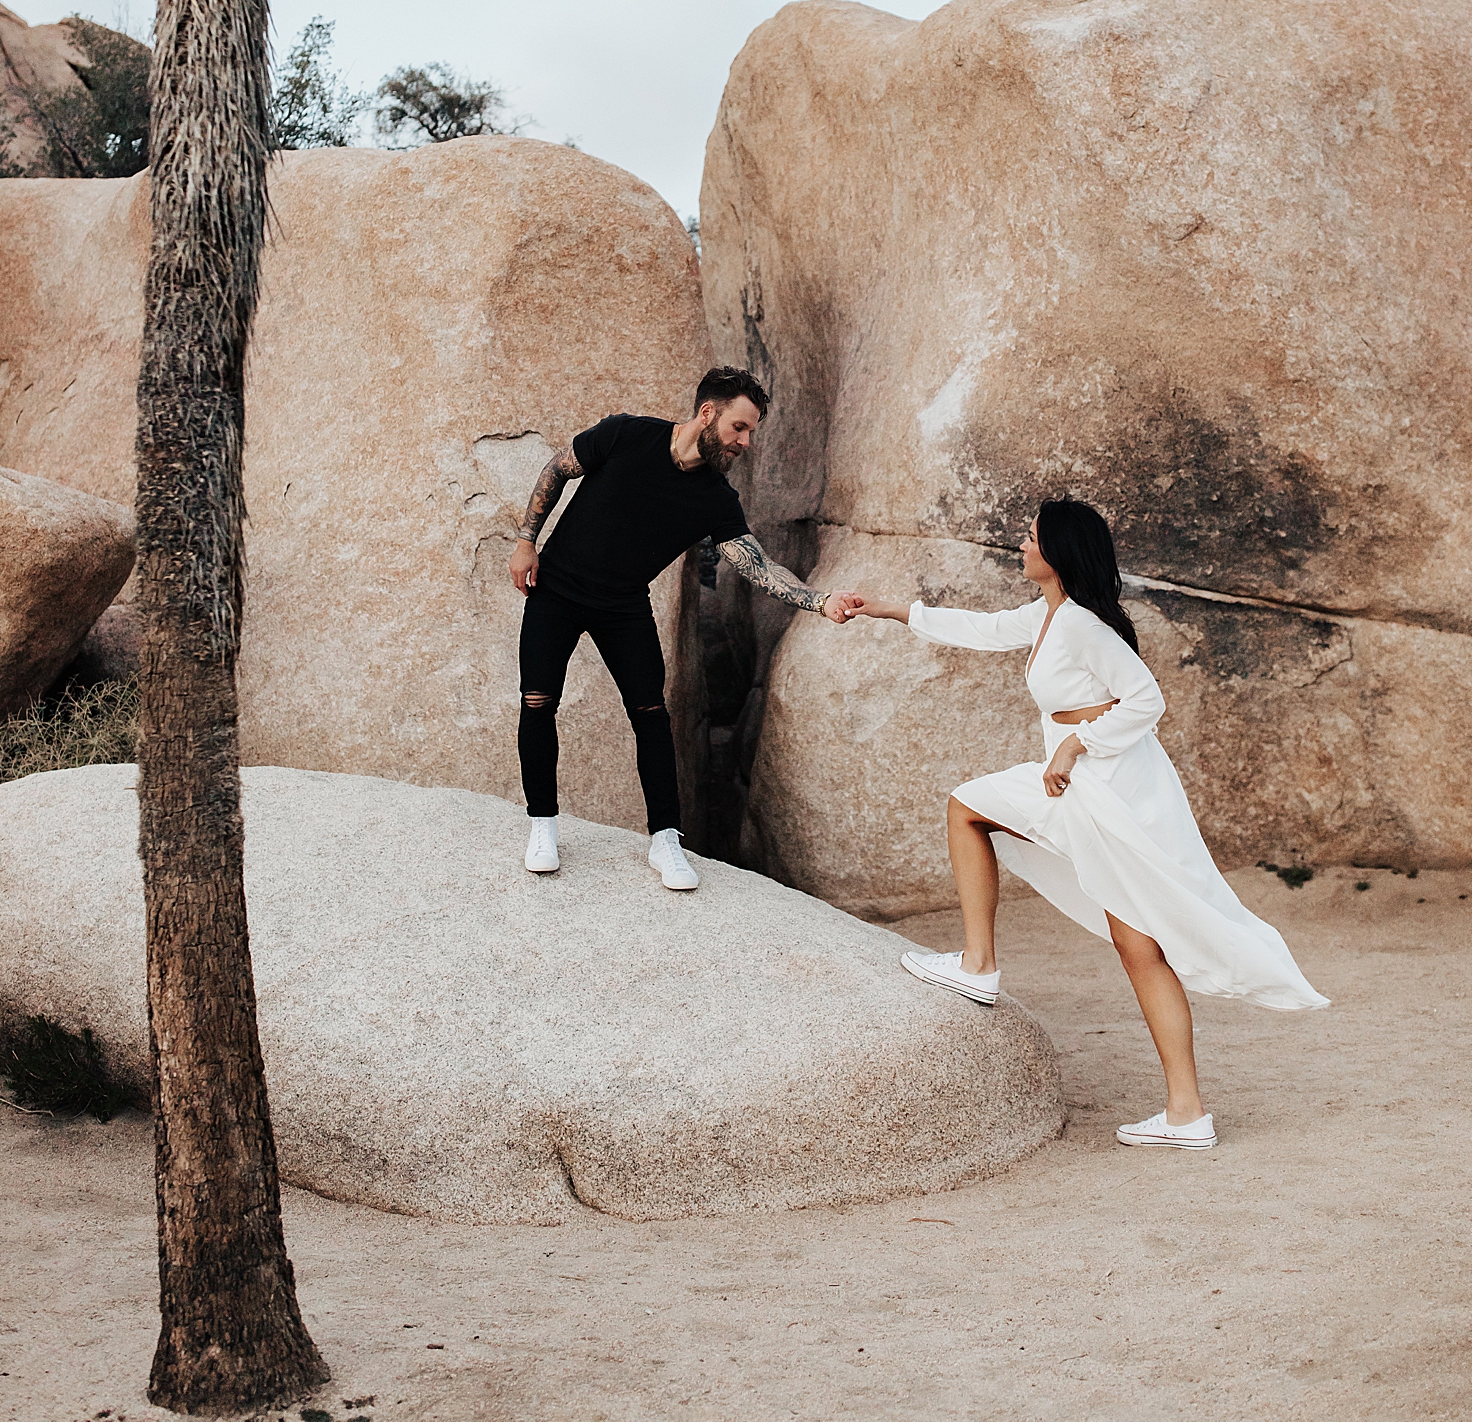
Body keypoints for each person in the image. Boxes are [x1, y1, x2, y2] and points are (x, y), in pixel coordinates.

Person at [851, 496, 1328, 1149]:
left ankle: (979, 964)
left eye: (1031, 538)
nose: (1021, 545)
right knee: (1134, 943)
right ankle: (1186, 1114)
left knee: (970, 810)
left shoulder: (1082, 627)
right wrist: (894, 610)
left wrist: (1077, 746)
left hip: (1108, 784)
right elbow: (986, 629)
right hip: (1089, 781)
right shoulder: (1049, 617)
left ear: (1057, 554)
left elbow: (1146, 698)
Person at [508, 366, 858, 890]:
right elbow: (557, 470)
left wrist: (820, 600)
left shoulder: (715, 497)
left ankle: (666, 841)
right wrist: (525, 540)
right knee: (537, 702)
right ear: (708, 413)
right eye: (740, 428)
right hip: (555, 590)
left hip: (623, 606)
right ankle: (543, 827)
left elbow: (758, 567)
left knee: (651, 713)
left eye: (751, 433)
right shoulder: (627, 434)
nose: (745, 442)